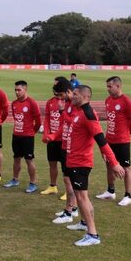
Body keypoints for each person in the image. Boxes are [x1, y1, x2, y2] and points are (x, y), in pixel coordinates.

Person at [63, 85, 125, 246]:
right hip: (73, 160)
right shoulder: (78, 111)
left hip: (81, 162)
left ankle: (93, 234)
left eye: (75, 94)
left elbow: (101, 141)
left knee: (82, 197)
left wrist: (114, 163)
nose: (72, 97)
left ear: (85, 97)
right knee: (79, 195)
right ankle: (84, 223)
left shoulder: (88, 114)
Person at [96, 76, 131, 206]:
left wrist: (125, 133)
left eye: (110, 86)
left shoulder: (126, 101)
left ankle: (128, 195)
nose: (107, 89)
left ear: (118, 86)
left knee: (126, 167)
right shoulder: (108, 100)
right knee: (109, 165)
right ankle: (110, 191)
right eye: (107, 86)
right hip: (109, 139)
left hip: (122, 140)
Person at [3, 81, 41, 193]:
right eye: (15, 90)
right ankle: (15, 179)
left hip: (27, 137)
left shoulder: (32, 103)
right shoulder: (14, 103)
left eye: (19, 90)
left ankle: (33, 183)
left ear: (25, 89)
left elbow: (38, 121)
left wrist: (31, 132)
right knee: (16, 158)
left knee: (29, 160)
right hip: (16, 135)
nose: (16, 92)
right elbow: (16, 118)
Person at [49, 80, 79, 224]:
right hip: (65, 145)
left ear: (68, 91)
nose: (59, 99)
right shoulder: (67, 104)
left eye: (61, 95)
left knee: (69, 181)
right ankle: (72, 208)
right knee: (68, 179)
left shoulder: (75, 105)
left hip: (72, 148)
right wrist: (53, 136)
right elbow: (65, 125)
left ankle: (69, 211)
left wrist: (61, 111)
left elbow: (74, 123)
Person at [40, 77, 70, 196]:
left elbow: (67, 124)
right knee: (52, 163)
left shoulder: (69, 103)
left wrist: (54, 135)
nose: (55, 89)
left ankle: (69, 191)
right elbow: (47, 118)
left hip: (63, 140)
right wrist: (46, 133)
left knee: (66, 168)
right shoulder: (50, 102)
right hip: (52, 139)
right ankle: (53, 186)